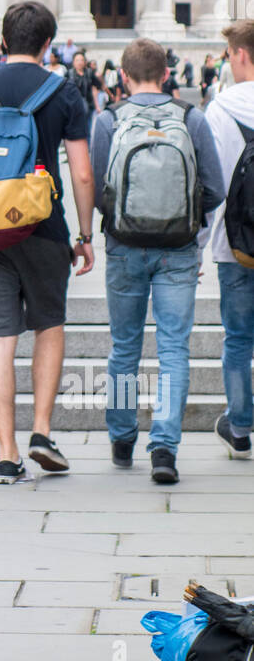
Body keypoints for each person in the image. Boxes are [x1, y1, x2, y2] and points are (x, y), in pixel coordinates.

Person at [0, 1, 95, 485]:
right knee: (49, 325)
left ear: (4, 42)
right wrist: (85, 234)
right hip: (44, 226)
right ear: (49, 44)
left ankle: (6, 453)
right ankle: (41, 431)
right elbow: (81, 171)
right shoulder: (64, 91)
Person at [91, 39, 224, 485]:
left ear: (123, 77)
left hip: (124, 246)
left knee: (124, 347)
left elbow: (97, 193)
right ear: (167, 74)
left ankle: (122, 436)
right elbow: (215, 188)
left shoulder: (108, 120)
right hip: (178, 249)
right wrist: (184, 222)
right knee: (173, 350)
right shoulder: (192, 118)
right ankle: (164, 447)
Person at [203, 22, 254, 461]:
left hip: (233, 244)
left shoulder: (220, 108)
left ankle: (239, 427)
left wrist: (198, 239)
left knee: (238, 338)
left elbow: (211, 183)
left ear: (240, 55)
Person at [68, 51, 100, 134]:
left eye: (81, 60)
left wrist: (97, 105)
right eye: (77, 60)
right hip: (73, 106)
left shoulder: (89, 73)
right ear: (73, 62)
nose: (79, 62)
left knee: (87, 130)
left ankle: (87, 146)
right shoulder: (69, 74)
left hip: (88, 106)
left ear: (85, 62)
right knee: (74, 130)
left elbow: (96, 87)